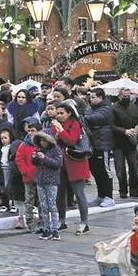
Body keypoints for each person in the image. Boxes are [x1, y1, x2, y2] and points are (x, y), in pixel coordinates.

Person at [51, 101, 91, 235]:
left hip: (75, 161)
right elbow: (53, 141)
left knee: (79, 193)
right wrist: (57, 134)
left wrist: (61, 131)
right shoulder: (55, 124)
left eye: (62, 113)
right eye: (57, 113)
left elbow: (71, 140)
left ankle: (84, 223)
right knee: (60, 193)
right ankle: (61, 220)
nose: (59, 115)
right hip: (60, 162)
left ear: (69, 113)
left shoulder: (75, 124)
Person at [84, 87, 115, 208]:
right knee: (96, 171)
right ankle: (101, 195)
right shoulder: (91, 108)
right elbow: (88, 115)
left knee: (104, 171)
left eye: (93, 97)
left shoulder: (106, 108)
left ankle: (109, 197)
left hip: (103, 144)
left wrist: (85, 117)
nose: (91, 99)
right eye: (90, 97)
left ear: (101, 97)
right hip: (93, 144)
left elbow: (97, 118)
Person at [32, 131, 64, 240]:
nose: (42, 142)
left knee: (52, 205)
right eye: (41, 140)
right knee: (43, 206)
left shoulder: (56, 149)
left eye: (44, 140)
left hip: (51, 182)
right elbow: (35, 163)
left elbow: (57, 164)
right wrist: (34, 157)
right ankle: (46, 229)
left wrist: (44, 157)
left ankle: (55, 229)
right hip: (40, 181)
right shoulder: (39, 149)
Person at [112, 87, 138, 200]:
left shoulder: (134, 107)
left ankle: (134, 190)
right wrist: (124, 131)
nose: (127, 98)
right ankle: (123, 190)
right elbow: (111, 125)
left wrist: (136, 130)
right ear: (119, 96)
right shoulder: (113, 108)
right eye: (124, 96)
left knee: (133, 166)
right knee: (120, 168)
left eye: (128, 96)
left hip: (131, 141)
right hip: (118, 142)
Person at [15, 119, 41, 233]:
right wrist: (25, 171)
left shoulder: (42, 143)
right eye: (29, 130)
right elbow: (19, 159)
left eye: (33, 130)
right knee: (29, 200)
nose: (30, 133)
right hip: (29, 177)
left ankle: (43, 222)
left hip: (41, 176)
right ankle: (30, 223)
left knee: (41, 201)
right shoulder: (23, 145)